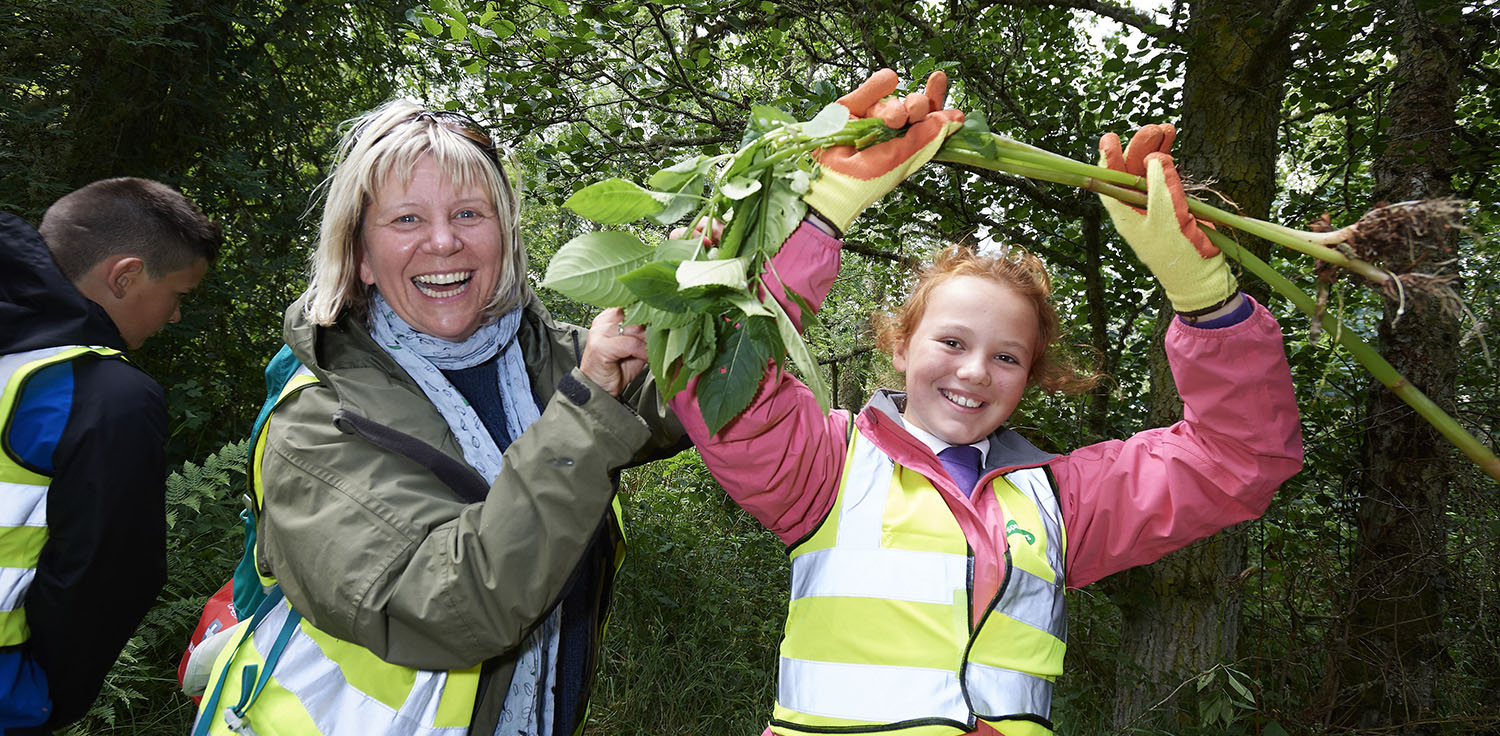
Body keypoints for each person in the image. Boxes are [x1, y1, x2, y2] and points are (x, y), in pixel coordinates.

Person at [192, 68, 962, 736]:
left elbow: (700, 373)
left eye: (469, 214)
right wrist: (590, 401)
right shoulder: (316, 418)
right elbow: (447, 604)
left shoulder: (546, 356)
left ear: (504, 233)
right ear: (358, 254)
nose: (444, 243)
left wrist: (810, 205)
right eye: (405, 221)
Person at [668, 123, 1305, 736]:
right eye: (951, 341)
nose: (974, 372)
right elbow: (723, 374)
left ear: (1029, 376)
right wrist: (823, 214)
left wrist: (1203, 298)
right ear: (900, 345)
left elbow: (1239, 455)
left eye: (1006, 357)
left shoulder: (1062, 501)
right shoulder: (828, 467)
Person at [0, 178, 220, 734]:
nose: (173, 317)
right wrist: (47, 696)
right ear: (125, 276)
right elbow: (108, 575)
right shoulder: (104, 396)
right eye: (178, 295)